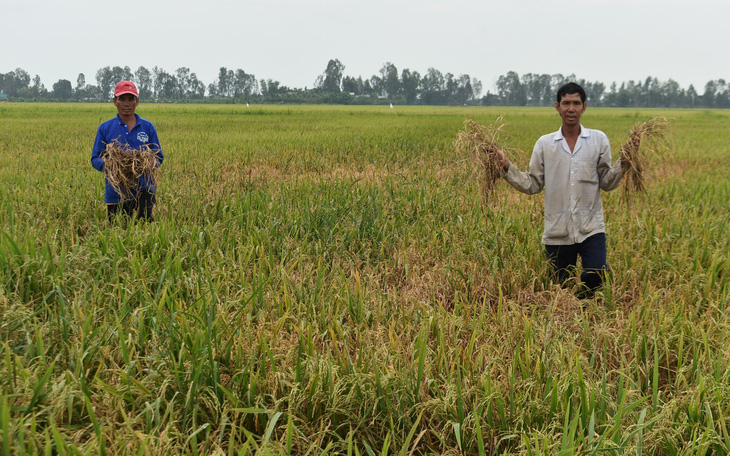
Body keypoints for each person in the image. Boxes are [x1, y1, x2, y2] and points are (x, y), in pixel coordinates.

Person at [496, 82, 628, 297]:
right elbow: (533, 184)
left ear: (584, 107)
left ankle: (589, 320)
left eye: (576, 103)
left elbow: (606, 182)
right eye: (566, 103)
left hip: (591, 227)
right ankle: (572, 322)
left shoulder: (598, 140)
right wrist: (506, 168)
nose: (571, 108)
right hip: (558, 232)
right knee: (562, 291)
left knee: (594, 277)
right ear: (557, 107)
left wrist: (625, 162)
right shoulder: (545, 144)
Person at [91, 81, 163, 222]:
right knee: (118, 230)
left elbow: (158, 157)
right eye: (122, 99)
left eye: (131, 99)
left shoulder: (147, 127)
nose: (126, 103)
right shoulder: (105, 128)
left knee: (145, 227)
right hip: (116, 192)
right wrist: (112, 165)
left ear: (137, 101)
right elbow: (95, 159)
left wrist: (146, 164)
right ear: (114, 101)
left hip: (144, 188)